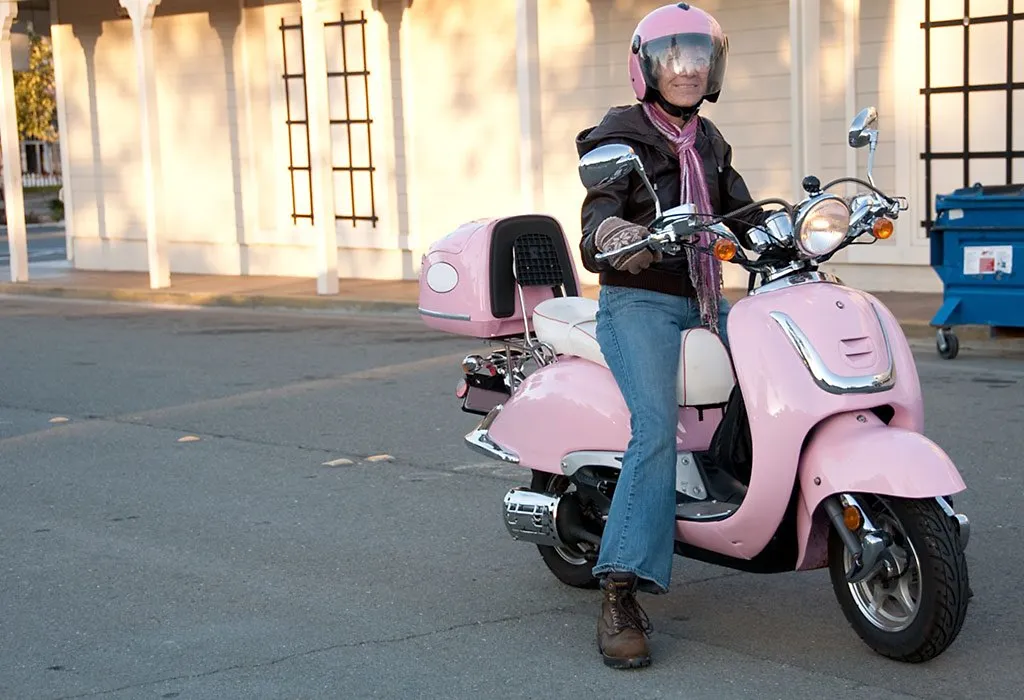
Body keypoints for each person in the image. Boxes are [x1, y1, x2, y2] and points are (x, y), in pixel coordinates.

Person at [575, 3, 767, 669]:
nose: (688, 68)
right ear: (644, 67)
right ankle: (620, 592)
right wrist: (614, 235)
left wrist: (782, 232)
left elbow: (741, 212)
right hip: (641, 302)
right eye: (672, 56)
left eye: (699, 56)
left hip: (704, 298)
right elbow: (598, 212)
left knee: (776, 377)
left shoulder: (708, 139)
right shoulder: (620, 133)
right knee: (655, 429)